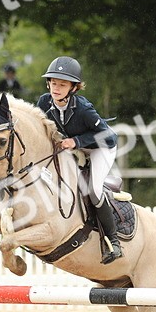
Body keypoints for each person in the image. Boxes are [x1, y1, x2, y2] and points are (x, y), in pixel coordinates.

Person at [36, 56, 122, 264]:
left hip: (100, 149)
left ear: (73, 88)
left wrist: (76, 141)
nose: (56, 88)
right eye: (53, 83)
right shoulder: (43, 102)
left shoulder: (83, 109)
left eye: (62, 85)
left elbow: (109, 137)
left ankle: (113, 241)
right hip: (74, 149)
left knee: (93, 189)